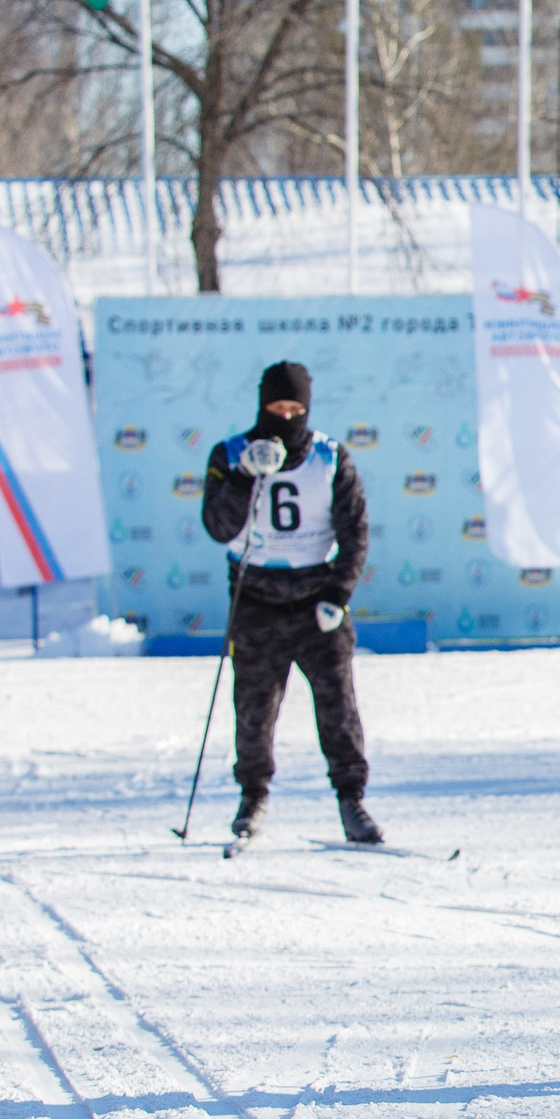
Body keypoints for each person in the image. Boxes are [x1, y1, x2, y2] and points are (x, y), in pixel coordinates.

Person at [200, 361, 381, 845]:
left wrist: (338, 594)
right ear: (262, 405)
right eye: (277, 408)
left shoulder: (330, 456)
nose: (285, 417)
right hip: (255, 599)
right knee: (253, 710)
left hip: (316, 600)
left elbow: (355, 532)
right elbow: (218, 526)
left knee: (338, 707)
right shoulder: (230, 454)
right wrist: (243, 477)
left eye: (295, 409)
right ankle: (252, 797)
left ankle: (352, 799)